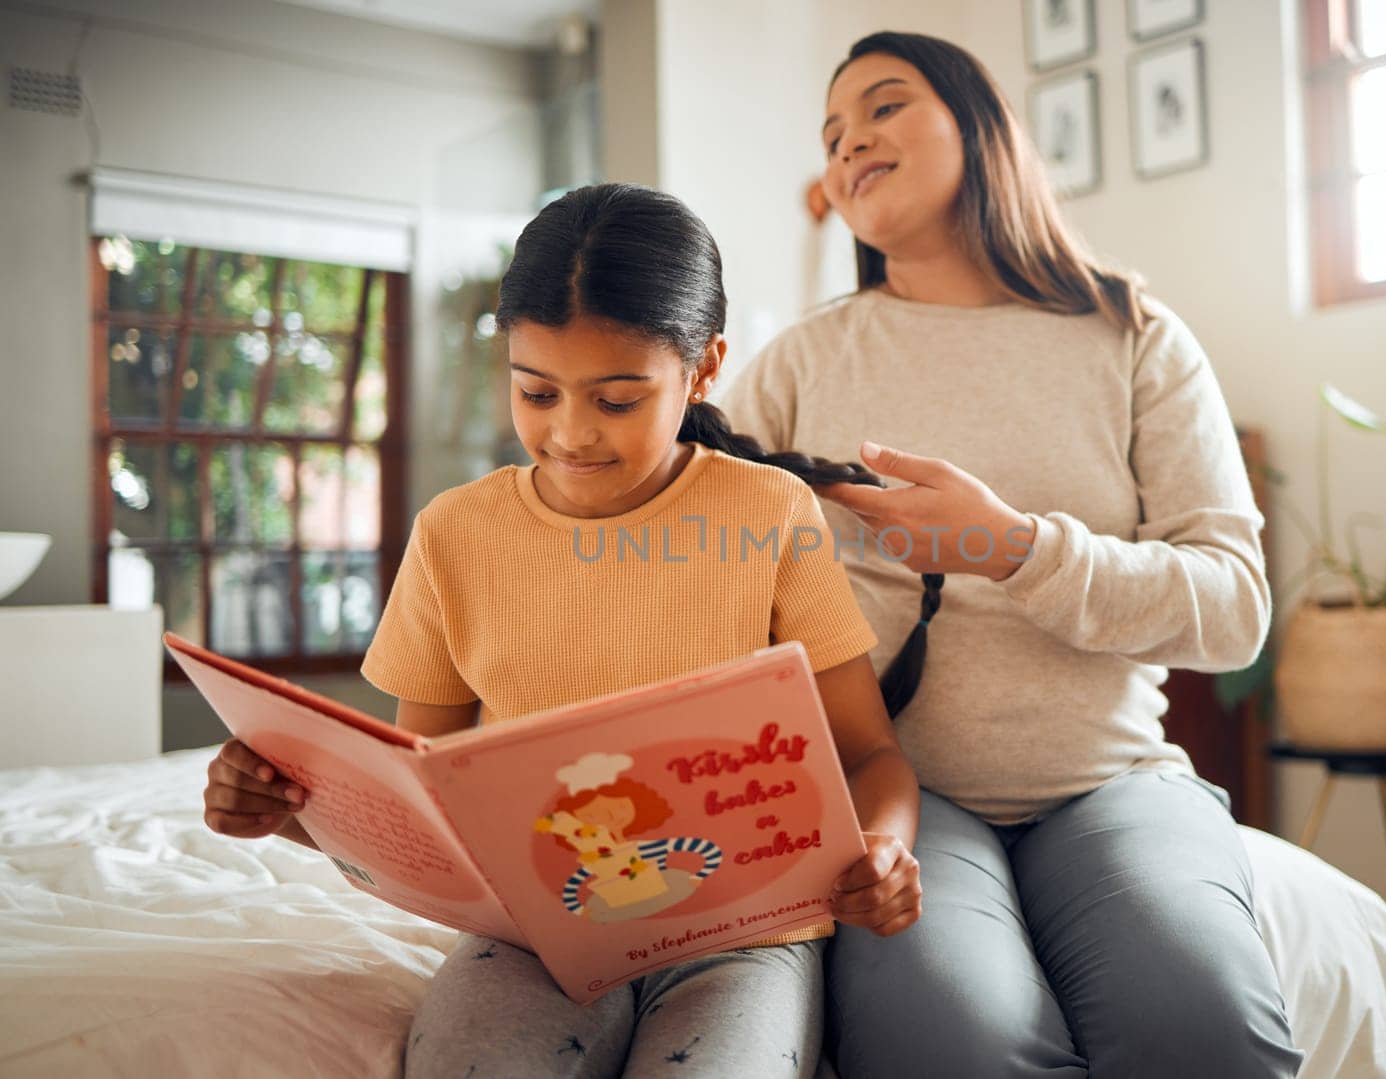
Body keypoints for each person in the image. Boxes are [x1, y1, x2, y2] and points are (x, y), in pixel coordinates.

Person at [200, 183, 922, 1079]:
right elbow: (420, 804)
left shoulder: (770, 513)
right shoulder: (456, 533)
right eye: (536, 392)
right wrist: (284, 809)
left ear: (704, 369)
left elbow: (871, 757)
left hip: (743, 935)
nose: (570, 433)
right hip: (531, 932)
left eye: (618, 400)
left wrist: (884, 847)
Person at [721, 31, 1303, 1079]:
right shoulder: (798, 363)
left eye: (884, 107)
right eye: (831, 134)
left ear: (979, 127)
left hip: (1109, 783)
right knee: (953, 1040)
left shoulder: (1135, 334)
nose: (851, 142)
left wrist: (1015, 548)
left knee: (1203, 1021)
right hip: (900, 794)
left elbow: (1233, 607)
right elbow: (682, 568)